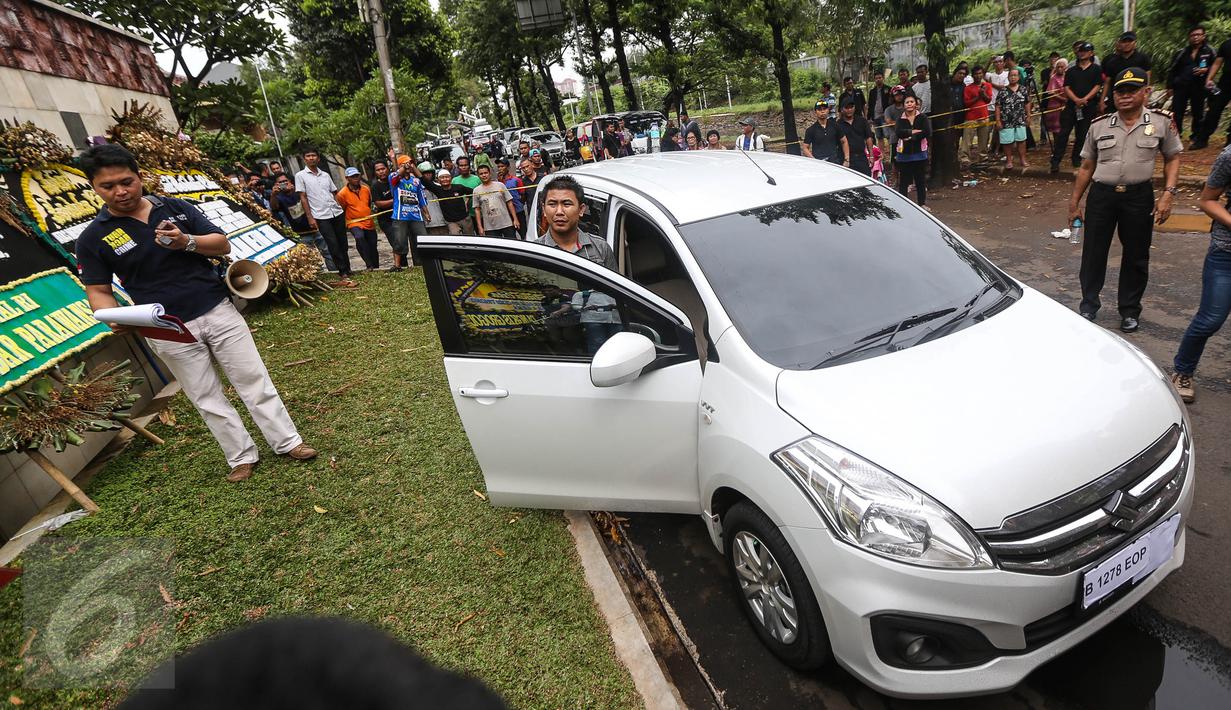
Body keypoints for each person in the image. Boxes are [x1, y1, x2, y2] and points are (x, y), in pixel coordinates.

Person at [76, 144, 317, 483]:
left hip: (216, 308)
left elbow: (222, 244)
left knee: (253, 379)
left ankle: (288, 442)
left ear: (139, 176)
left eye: (127, 181)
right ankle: (241, 457)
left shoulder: (175, 208)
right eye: (108, 186)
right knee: (204, 395)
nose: (120, 191)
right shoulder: (93, 238)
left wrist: (186, 241)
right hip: (165, 328)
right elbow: (98, 291)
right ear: (94, 188)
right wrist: (111, 315)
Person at [1068, 68, 1182, 332]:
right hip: (1102, 195)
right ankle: (1088, 306)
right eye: (1120, 91)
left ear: (1146, 92)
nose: (1125, 96)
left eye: (1132, 91)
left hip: (1138, 196)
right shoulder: (1099, 125)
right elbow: (1086, 167)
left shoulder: (1162, 122)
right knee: (1093, 253)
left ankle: (1129, 311)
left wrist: (1168, 194)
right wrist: (1074, 202)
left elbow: (1173, 158)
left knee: (1136, 256)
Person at [1170, 144, 1231, 402]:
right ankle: (1182, 371)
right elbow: (1207, 200)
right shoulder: (1229, 156)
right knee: (1211, 319)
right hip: (1227, 252)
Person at [295, 148, 354, 285]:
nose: (311, 158)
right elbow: (303, 197)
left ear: (318, 158)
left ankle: (348, 268)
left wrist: (341, 208)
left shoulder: (325, 175)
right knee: (332, 244)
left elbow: (334, 193)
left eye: (313, 155)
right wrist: (310, 217)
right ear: (305, 159)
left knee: (343, 242)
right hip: (321, 215)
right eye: (308, 155)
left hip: (336, 212)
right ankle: (342, 271)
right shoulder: (300, 176)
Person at [534, 175, 616, 270]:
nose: (559, 211)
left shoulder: (600, 248)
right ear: (544, 209)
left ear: (581, 209)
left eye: (567, 204)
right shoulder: (535, 251)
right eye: (552, 204)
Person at [1051, 41, 1103, 173]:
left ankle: (1076, 158)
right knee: (1064, 134)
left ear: (1091, 53)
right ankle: (1055, 161)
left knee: (1082, 134)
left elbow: (1097, 86)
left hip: (1088, 106)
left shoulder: (1096, 69)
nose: (1082, 53)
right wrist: (1076, 100)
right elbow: (1066, 87)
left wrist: (1086, 99)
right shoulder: (1072, 70)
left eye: (1085, 51)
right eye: (1080, 51)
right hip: (1071, 106)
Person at [269, 173, 335, 271]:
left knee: (327, 251)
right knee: (310, 257)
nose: (284, 183)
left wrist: (296, 189)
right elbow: (274, 207)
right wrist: (273, 194)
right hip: (301, 233)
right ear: (276, 184)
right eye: (280, 182)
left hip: (316, 227)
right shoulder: (279, 197)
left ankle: (334, 272)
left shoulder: (300, 191)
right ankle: (322, 276)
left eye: (285, 181)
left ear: (290, 181)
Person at [1166, 26, 1216, 139]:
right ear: (1189, 37)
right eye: (1193, 35)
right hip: (1181, 86)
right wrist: (1169, 87)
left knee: (1198, 111)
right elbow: (1172, 69)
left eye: (1198, 35)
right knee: (1176, 112)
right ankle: (1175, 135)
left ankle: (1196, 135)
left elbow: (1216, 66)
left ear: (1204, 36)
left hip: (1199, 86)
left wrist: (1206, 70)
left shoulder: (1209, 51)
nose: (1196, 37)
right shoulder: (1182, 52)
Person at [335, 167, 380, 271]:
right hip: (353, 222)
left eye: (357, 176)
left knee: (372, 244)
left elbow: (368, 203)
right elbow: (342, 208)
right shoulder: (342, 194)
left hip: (368, 221)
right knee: (359, 237)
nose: (355, 178)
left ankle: (376, 266)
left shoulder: (366, 189)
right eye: (352, 177)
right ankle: (369, 265)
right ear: (347, 178)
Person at [389, 155, 430, 265]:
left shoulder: (416, 181)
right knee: (399, 241)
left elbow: (421, 198)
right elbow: (394, 179)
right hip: (400, 215)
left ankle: (426, 263)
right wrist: (402, 166)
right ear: (400, 166)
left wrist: (426, 213)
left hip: (416, 215)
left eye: (410, 163)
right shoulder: (395, 177)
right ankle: (397, 265)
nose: (408, 165)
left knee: (423, 239)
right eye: (405, 163)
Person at [1101, 31, 1152, 113]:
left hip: (1136, 95)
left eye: (1130, 41)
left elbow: (1147, 78)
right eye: (1124, 42)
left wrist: (1146, 97)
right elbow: (1107, 82)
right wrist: (1102, 101)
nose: (1127, 44)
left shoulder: (1143, 58)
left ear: (1135, 43)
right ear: (1119, 43)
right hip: (1118, 97)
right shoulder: (1112, 62)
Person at [894, 95, 931, 207]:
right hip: (904, 154)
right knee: (904, 181)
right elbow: (899, 133)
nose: (909, 104)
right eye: (907, 102)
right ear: (904, 105)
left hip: (920, 154)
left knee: (920, 180)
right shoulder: (900, 119)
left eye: (911, 102)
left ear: (916, 104)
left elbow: (926, 132)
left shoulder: (922, 117)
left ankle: (922, 204)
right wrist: (913, 132)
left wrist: (910, 136)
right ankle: (904, 205)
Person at [370, 160, 406, 267]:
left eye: (383, 169)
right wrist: (395, 200)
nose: (381, 172)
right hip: (386, 220)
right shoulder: (375, 186)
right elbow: (379, 203)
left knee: (403, 241)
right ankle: (400, 265)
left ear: (387, 168)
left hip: (401, 216)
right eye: (378, 170)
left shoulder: (396, 180)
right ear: (375, 172)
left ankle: (407, 264)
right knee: (396, 242)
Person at [995, 68, 1032, 170]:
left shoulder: (1023, 89)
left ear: (1019, 77)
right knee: (1007, 141)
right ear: (1008, 77)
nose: (1013, 77)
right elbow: (998, 106)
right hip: (1006, 119)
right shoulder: (1003, 91)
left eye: (1015, 75)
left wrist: (1029, 115)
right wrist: (998, 120)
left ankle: (1023, 159)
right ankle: (1009, 160)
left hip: (1020, 119)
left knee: (1022, 140)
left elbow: (1027, 102)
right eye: (1011, 75)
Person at [470, 164, 519, 239]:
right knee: (497, 248)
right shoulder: (476, 190)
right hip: (490, 227)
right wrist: (480, 227)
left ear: (490, 173)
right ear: (478, 175)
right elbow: (477, 210)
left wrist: (515, 219)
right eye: (481, 174)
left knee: (512, 244)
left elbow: (509, 202)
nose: (484, 175)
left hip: (506, 223)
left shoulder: (500, 185)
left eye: (485, 173)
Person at [422, 170, 473, 235]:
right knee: (456, 239)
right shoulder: (438, 190)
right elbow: (424, 181)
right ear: (438, 180)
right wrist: (413, 166)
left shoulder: (459, 187)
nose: (445, 179)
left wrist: (467, 201)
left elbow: (472, 192)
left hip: (465, 219)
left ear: (451, 178)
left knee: (470, 238)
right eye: (442, 177)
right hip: (451, 222)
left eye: (447, 177)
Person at [802, 100, 848, 166]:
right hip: (820, 164)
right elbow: (805, 148)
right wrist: (814, 161)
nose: (822, 111)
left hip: (835, 162)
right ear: (815, 112)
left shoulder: (835, 126)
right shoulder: (811, 130)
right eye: (819, 109)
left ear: (828, 110)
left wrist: (847, 159)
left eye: (824, 109)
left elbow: (844, 141)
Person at [838, 98, 874, 175]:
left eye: (851, 107)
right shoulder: (838, 125)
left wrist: (871, 155)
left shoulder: (862, 121)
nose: (849, 110)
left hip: (861, 157)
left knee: (866, 180)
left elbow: (868, 138)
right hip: (846, 159)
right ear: (842, 109)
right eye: (847, 108)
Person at [497, 158, 526, 238]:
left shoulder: (516, 180)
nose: (500, 169)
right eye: (498, 167)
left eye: (502, 166)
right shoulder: (497, 183)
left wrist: (519, 204)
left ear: (508, 167)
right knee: (511, 237)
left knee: (524, 234)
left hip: (519, 211)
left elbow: (522, 195)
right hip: (506, 214)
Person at [418, 162, 447, 238]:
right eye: (425, 173)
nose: (428, 174)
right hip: (429, 223)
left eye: (430, 172)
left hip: (444, 221)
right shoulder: (418, 189)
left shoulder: (439, 186)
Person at [1043, 59, 1068, 142]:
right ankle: (1057, 145)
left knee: (1065, 125)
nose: (1060, 69)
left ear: (1066, 67)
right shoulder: (1053, 77)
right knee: (1056, 128)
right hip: (1055, 105)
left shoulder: (1068, 76)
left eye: (1062, 67)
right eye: (1058, 67)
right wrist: (1063, 99)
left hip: (1067, 104)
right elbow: (1051, 92)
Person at [867, 70, 892, 149]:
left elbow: (891, 103)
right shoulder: (872, 91)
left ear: (883, 78)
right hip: (875, 117)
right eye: (876, 78)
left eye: (880, 78)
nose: (878, 79)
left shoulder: (888, 89)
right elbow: (870, 105)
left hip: (885, 116)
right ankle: (882, 156)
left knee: (888, 135)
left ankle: (891, 154)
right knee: (879, 137)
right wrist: (869, 118)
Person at [885, 86, 908, 163]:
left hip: (909, 138)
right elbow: (889, 122)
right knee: (895, 163)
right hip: (895, 139)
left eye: (901, 94)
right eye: (897, 95)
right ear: (893, 96)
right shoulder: (889, 109)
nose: (899, 96)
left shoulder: (908, 107)